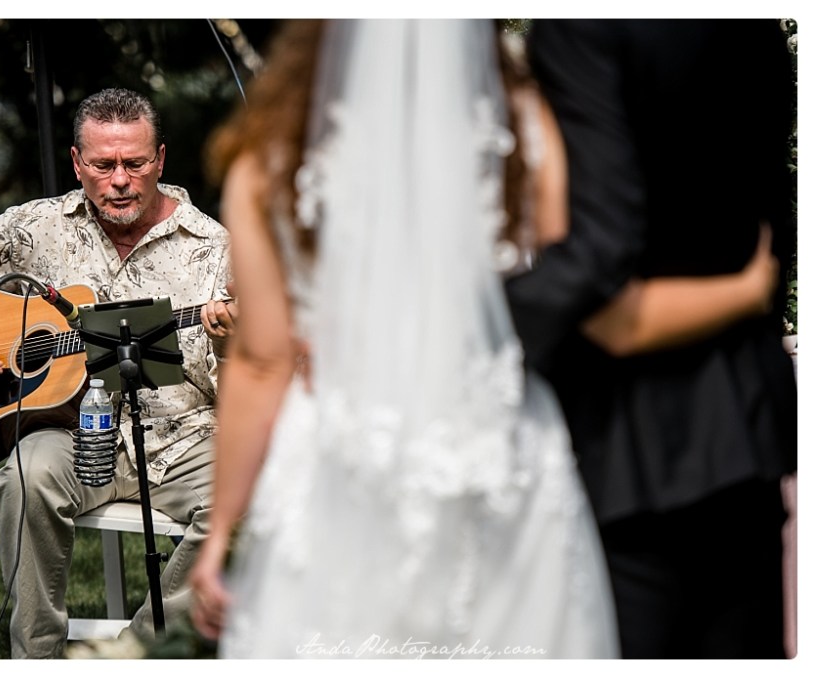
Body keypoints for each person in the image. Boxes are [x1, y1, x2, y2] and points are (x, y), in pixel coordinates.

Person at [185, 19, 624, 659]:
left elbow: (260, 361)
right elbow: (571, 283)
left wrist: (221, 533)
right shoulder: (523, 126)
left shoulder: (271, 158)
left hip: (347, 451)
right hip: (494, 446)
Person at [0, 87, 235, 658]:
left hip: (185, 440)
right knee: (23, 476)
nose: (120, 180)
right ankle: (38, 658)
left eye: (134, 163)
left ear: (160, 160)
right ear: (78, 163)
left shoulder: (214, 247)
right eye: (103, 165)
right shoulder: (39, 225)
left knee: (256, 495)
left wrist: (233, 343)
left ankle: (134, 654)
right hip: (75, 432)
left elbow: (237, 392)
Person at [505, 20, 797, 658]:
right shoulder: (752, 27)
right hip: (745, 419)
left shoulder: (580, 29)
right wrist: (751, 292)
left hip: (626, 436)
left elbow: (600, 256)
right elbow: (773, 209)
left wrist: (474, 326)